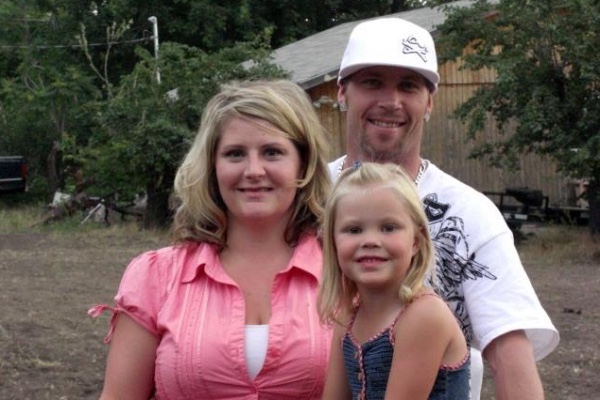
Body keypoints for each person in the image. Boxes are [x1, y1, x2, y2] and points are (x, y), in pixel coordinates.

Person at [328, 18, 559, 400]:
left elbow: (509, 349)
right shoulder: (301, 193)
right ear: (342, 92)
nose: (391, 101)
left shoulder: (468, 213)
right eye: (372, 82)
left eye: (409, 86)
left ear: (429, 102)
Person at [88, 79, 332, 400]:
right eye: (235, 154)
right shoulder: (156, 276)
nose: (254, 170)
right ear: (212, 166)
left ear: (304, 163)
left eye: (272, 152)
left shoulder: (344, 272)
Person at [319, 162, 470, 400]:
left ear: (416, 241)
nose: (370, 240)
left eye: (388, 228)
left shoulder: (424, 315)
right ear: (333, 242)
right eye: (354, 230)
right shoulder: (347, 317)